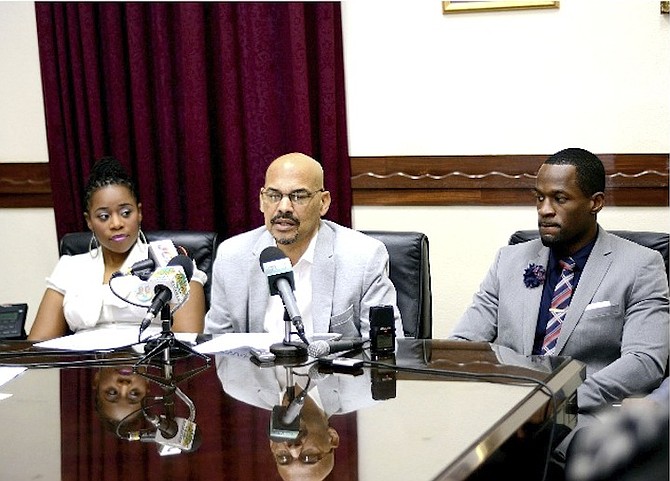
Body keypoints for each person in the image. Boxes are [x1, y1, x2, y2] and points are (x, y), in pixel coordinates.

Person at [449, 147, 669, 466]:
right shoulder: (509, 261)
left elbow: (645, 361)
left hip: (582, 417)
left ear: (595, 202)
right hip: (504, 412)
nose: (544, 210)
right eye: (539, 198)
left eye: (559, 199)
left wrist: (557, 400)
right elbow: (464, 344)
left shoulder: (640, 265)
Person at [204, 152, 403, 340]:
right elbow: (217, 348)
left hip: (335, 375)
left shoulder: (364, 257)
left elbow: (385, 349)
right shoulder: (231, 256)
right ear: (262, 201)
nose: (283, 207)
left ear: (323, 203)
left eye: (298, 196)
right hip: (257, 375)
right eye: (274, 195)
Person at [28, 156, 207, 341]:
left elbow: (187, 340)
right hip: (85, 365)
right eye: (104, 216)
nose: (116, 223)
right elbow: (38, 345)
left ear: (139, 213)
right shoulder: (70, 266)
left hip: (149, 364)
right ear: (89, 221)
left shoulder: (173, 261)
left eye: (125, 213)